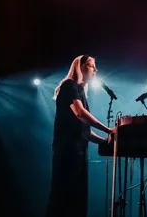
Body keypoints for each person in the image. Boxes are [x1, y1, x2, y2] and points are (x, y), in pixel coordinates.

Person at [46, 55, 114, 217]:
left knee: (77, 194)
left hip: (78, 150)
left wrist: (106, 141)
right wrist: (108, 130)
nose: (95, 70)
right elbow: (79, 114)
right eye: (91, 66)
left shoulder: (81, 92)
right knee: (65, 194)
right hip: (67, 150)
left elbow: (86, 131)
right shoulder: (69, 85)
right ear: (80, 67)